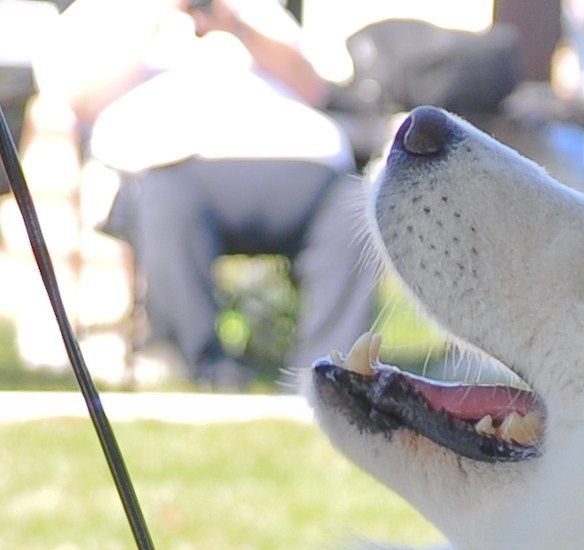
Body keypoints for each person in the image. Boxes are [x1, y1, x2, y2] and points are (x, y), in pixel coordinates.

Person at [34, 0, 373, 386]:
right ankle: (207, 370)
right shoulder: (102, 14)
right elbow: (81, 100)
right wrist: (159, 13)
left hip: (302, 168)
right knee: (166, 201)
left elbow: (312, 87)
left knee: (352, 204)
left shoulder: (254, 10)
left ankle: (326, 376)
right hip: (173, 171)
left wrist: (237, 26)